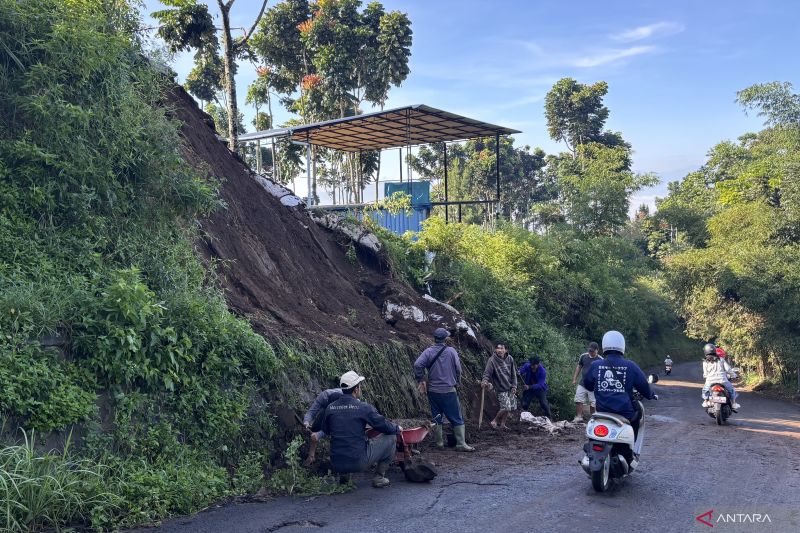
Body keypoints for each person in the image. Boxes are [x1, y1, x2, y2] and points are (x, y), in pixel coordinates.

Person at [322, 371, 402, 488]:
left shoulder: (330, 408)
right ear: (356, 389)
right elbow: (383, 425)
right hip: (358, 462)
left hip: (336, 463)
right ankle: (379, 477)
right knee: (391, 437)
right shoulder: (363, 407)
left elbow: (326, 430)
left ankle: (344, 478)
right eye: (360, 386)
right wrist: (397, 428)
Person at [582, 330, 656, 450]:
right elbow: (644, 386)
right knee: (637, 415)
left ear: (604, 345)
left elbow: (588, 384)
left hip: (602, 411)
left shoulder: (596, 365)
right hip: (624, 413)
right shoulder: (630, 366)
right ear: (622, 346)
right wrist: (651, 394)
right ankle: (631, 449)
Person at [414, 328, 475, 451]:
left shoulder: (428, 351)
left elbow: (417, 365)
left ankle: (439, 443)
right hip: (448, 390)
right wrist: (457, 382)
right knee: (456, 417)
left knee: (437, 417)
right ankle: (461, 444)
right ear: (445, 338)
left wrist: (421, 379)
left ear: (435, 338)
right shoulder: (451, 351)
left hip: (433, 391)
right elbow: (458, 369)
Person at [302, 383, 344, 466]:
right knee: (316, 425)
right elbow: (311, 412)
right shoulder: (324, 396)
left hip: (345, 419)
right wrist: (306, 422)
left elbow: (335, 427)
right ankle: (311, 456)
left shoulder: (350, 404)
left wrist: (319, 434)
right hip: (327, 410)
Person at [481, 342, 518, 430]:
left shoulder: (510, 359)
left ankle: (502, 424)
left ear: (506, 350)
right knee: (506, 407)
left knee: (510, 407)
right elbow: (487, 373)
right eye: (498, 348)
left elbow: (513, 374)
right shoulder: (492, 360)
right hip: (500, 388)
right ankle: (494, 421)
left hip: (510, 387)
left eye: (502, 348)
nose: (499, 350)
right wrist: (485, 381)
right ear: (495, 350)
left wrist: (514, 386)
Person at [701, 343, 740, 410]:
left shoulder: (705, 362)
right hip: (722, 380)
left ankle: (705, 401)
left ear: (705, 352)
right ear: (714, 350)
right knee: (731, 390)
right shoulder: (721, 359)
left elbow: (705, 374)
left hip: (710, 381)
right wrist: (734, 375)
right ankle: (734, 403)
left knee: (705, 390)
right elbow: (728, 369)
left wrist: (706, 376)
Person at [571, 342, 602, 423]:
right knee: (578, 399)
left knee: (593, 403)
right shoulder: (583, 356)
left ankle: (593, 419)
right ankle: (579, 417)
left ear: (597, 350)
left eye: (592, 351)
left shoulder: (601, 360)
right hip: (583, 383)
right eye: (590, 350)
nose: (590, 352)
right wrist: (574, 379)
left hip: (594, 385)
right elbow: (579, 367)